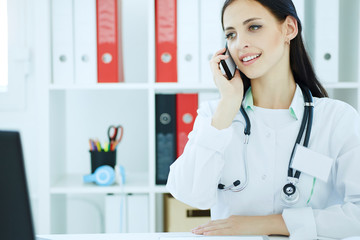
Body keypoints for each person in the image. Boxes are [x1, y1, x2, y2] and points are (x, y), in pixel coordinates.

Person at [166, 0, 360, 239]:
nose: (240, 44)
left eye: (254, 27)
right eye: (231, 34)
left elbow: (357, 214)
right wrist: (228, 105)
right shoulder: (216, 115)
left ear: (289, 28)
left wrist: (269, 224)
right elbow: (190, 195)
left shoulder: (336, 118)